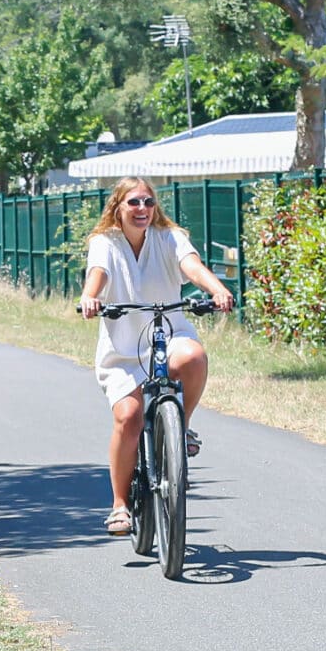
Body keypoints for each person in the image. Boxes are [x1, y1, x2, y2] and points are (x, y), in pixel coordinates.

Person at [79, 178, 236, 536]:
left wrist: (216, 289)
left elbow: (191, 266)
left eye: (148, 202)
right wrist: (91, 296)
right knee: (129, 418)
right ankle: (120, 505)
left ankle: (180, 428)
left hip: (169, 334)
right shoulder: (105, 242)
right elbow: (98, 273)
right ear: (118, 207)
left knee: (193, 358)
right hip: (123, 351)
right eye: (134, 202)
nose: (142, 209)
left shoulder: (169, 237)